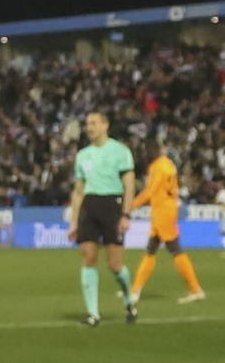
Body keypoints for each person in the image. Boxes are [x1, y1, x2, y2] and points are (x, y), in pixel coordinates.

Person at [69, 111, 138, 325]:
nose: (89, 127)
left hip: (112, 205)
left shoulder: (121, 151)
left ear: (105, 125)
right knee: (88, 258)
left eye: (93, 123)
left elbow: (129, 185)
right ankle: (93, 314)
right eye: (87, 123)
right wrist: (74, 221)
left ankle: (129, 301)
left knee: (115, 265)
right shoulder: (82, 155)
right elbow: (78, 191)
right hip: (90, 206)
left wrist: (126, 214)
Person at [130, 145, 206, 305]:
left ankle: (195, 289)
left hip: (163, 213)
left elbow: (149, 192)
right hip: (166, 210)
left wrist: (130, 206)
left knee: (174, 250)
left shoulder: (157, 167)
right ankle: (135, 289)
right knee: (151, 250)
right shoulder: (168, 164)